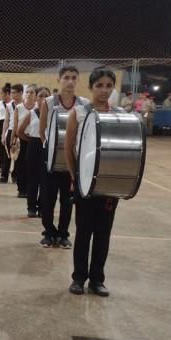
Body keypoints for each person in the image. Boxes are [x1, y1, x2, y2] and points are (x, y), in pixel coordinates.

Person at [64, 68, 123, 297]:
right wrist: (75, 176)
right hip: (84, 183)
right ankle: (79, 277)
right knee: (83, 232)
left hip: (108, 185)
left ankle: (97, 279)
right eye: (99, 85)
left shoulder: (119, 114)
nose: (104, 90)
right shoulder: (78, 113)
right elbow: (69, 149)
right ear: (90, 88)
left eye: (109, 85)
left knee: (103, 233)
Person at [38, 65, 88, 249]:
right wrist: (52, 149)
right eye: (66, 77)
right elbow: (43, 131)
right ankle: (48, 232)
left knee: (68, 200)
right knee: (47, 199)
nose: (70, 81)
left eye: (74, 78)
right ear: (58, 80)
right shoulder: (49, 102)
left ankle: (63, 234)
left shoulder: (84, 104)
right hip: (50, 158)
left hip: (72, 160)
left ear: (78, 81)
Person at [16, 84, 41, 217]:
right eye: (40, 95)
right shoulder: (32, 113)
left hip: (47, 147)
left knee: (46, 181)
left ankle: (42, 207)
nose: (43, 98)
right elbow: (19, 131)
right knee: (33, 179)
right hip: (34, 144)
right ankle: (31, 207)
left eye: (45, 95)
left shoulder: (52, 113)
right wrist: (31, 140)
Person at [9, 84, 28, 197]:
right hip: (20, 139)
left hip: (32, 139)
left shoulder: (35, 107)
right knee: (20, 164)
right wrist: (12, 140)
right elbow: (15, 126)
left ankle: (28, 187)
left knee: (29, 165)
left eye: (32, 93)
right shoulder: (18, 108)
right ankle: (21, 189)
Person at [0, 84, 12, 184]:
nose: (1, 95)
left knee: (11, 149)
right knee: (2, 147)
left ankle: (13, 173)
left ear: (8, 94)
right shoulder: (0, 103)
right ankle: (2, 166)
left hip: (10, 124)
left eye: (3, 94)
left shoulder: (13, 104)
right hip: (1, 123)